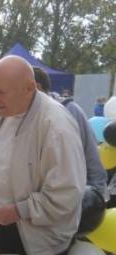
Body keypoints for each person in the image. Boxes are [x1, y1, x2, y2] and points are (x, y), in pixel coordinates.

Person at [0, 56, 86, 255]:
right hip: (8, 228)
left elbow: (66, 196)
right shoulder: (2, 112)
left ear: (29, 89)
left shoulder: (56, 126)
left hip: (44, 246)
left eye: (1, 93)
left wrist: (17, 210)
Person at [33, 67, 107, 195]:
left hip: (70, 199)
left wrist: (97, 194)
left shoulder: (70, 111)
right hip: (36, 202)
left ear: (36, 87)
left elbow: (91, 154)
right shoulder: (18, 117)